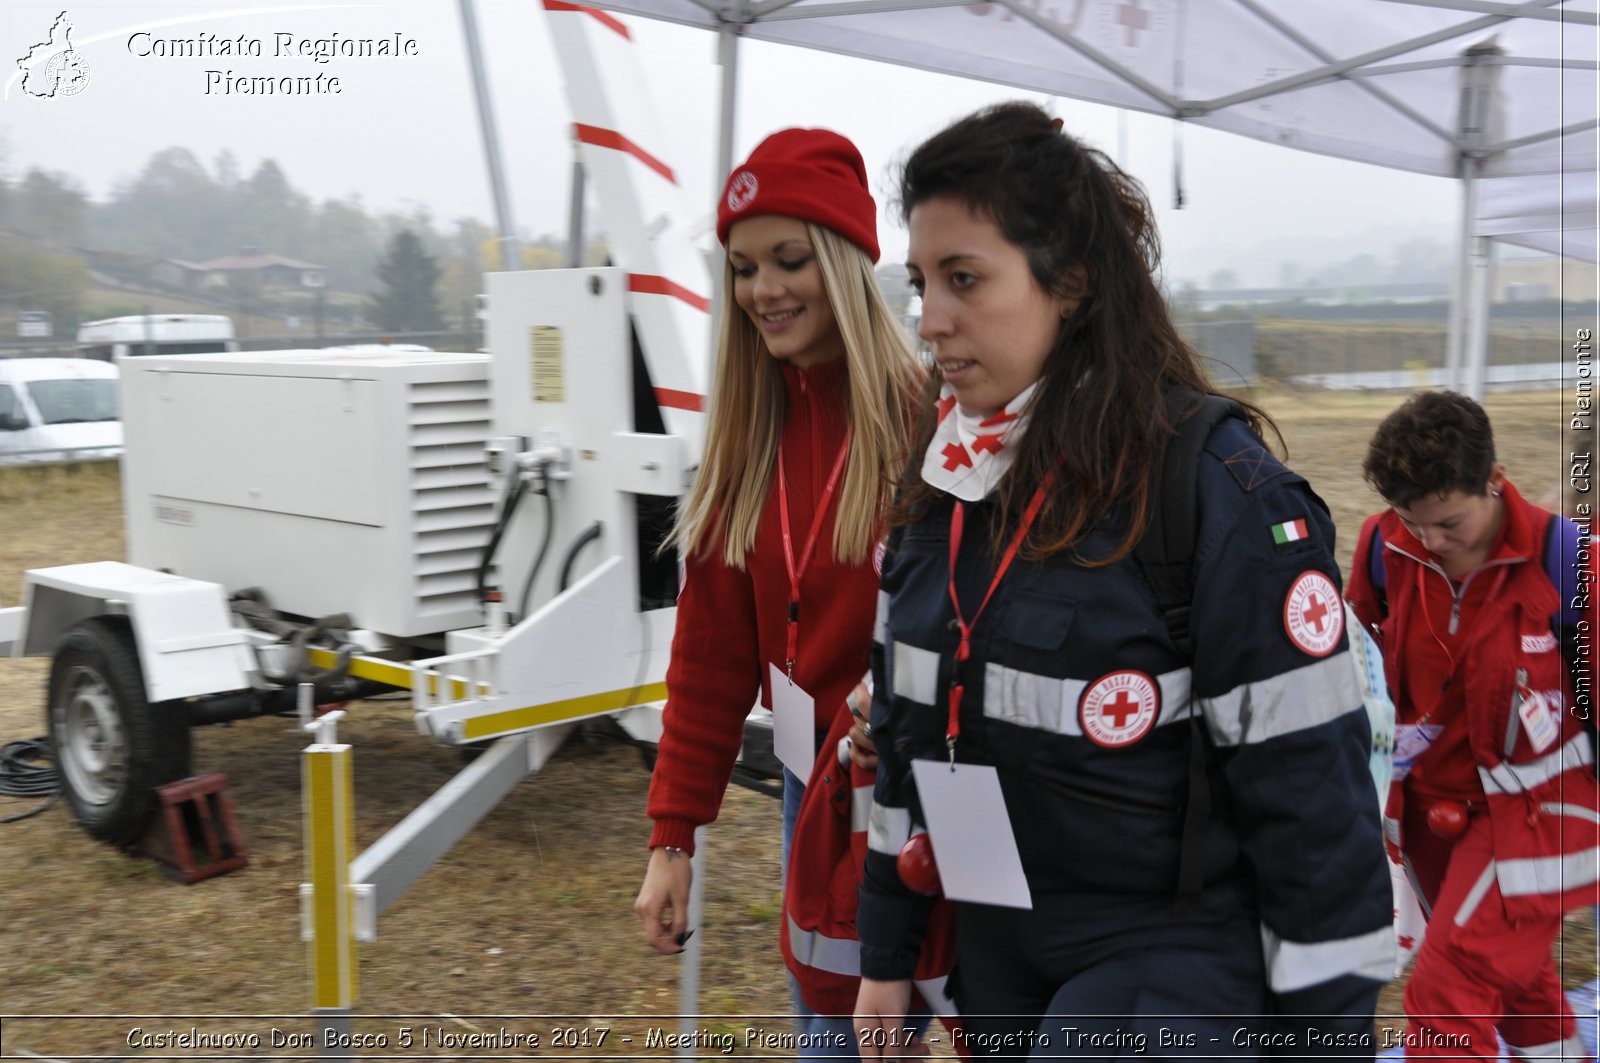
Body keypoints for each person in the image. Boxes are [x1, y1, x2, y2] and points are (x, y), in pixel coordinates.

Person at [851, 101, 1394, 1059]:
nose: (929, 320)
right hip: (1000, 959)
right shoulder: (946, 480)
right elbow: (906, 732)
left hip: (1168, 964)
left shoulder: (1214, 491)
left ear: (1070, 281)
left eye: (965, 279)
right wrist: (887, 953)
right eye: (921, 281)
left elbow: (1317, 817)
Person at [632, 127, 923, 1044]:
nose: (764, 289)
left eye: (789, 259)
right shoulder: (744, 444)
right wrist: (673, 835)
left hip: (936, 784)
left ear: (844, 263)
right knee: (835, 1034)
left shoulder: (933, 424)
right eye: (744, 266)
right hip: (816, 783)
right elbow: (711, 657)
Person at [1347, 390, 1598, 1060]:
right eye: (1412, 521)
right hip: (1429, 813)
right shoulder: (1381, 546)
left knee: (1446, 993)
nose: (1429, 541)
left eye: (1449, 524)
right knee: (1517, 984)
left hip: (1538, 819)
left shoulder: (1571, 564)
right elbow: (1356, 663)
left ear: (1495, 478)